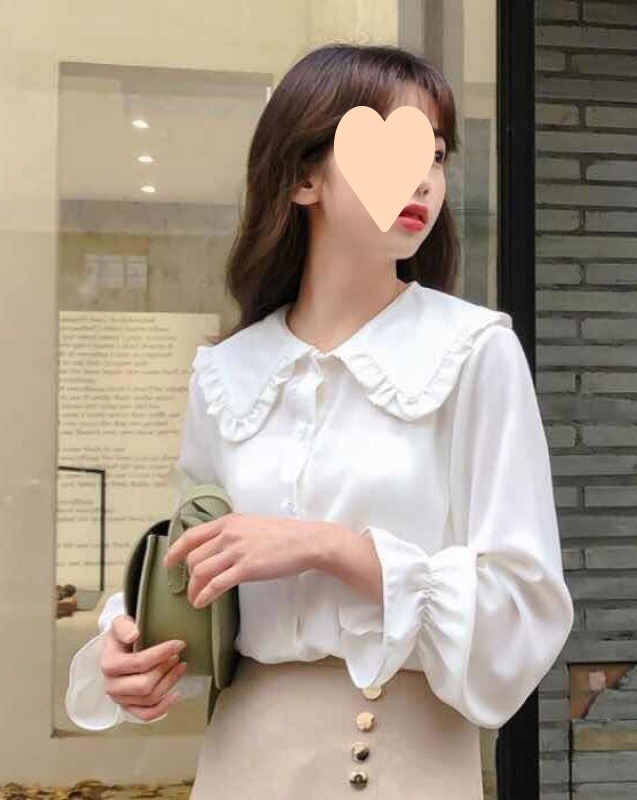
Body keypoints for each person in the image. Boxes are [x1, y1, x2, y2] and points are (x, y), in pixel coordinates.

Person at [65, 42, 574, 798]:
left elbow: (524, 605)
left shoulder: (473, 353)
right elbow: (194, 562)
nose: (423, 180)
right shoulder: (228, 373)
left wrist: (327, 547)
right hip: (243, 763)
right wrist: (131, 647)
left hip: (400, 762)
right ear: (304, 177)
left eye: (435, 156)